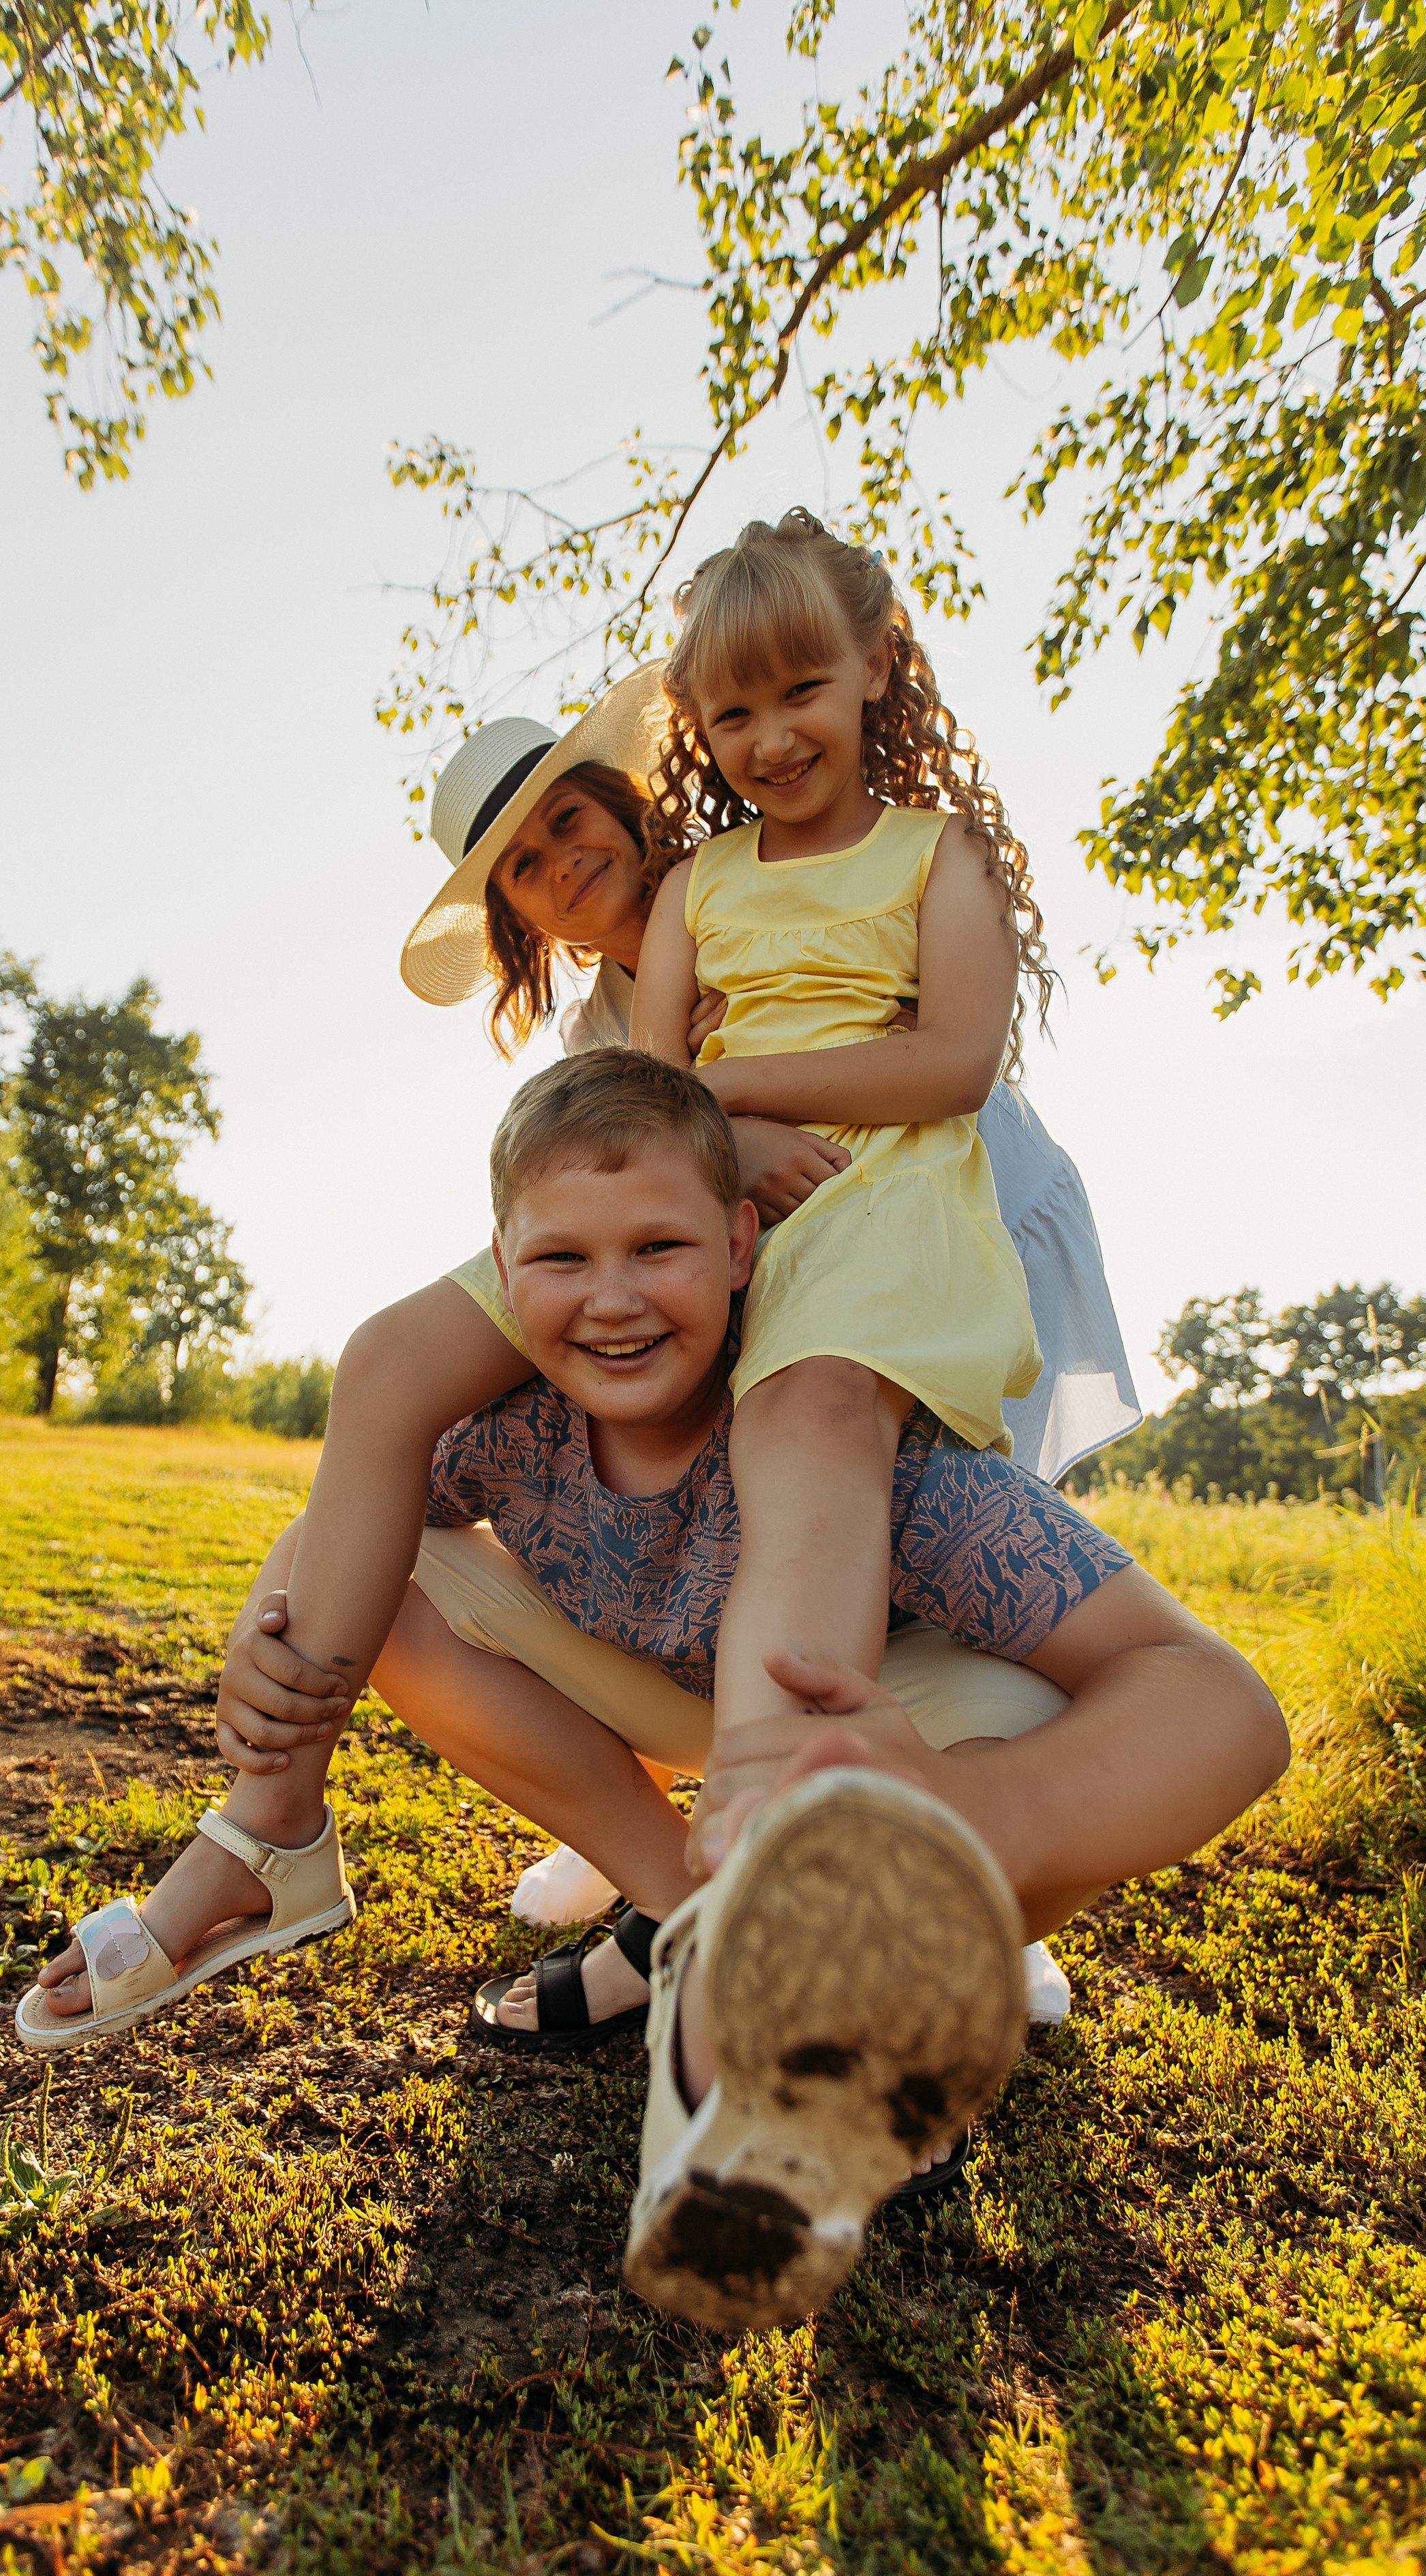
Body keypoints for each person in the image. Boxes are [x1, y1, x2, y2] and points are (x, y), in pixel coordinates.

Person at [12, 655, 1135, 2048]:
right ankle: (398, 1842)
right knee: (403, 1364)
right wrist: (280, 1598)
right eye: (526, 865)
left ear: (624, 795)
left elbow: (915, 1040)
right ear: (515, 915)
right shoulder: (599, 1033)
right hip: (713, 1274)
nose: (561, 859)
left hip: (911, 1207)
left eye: (566, 817)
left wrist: (730, 1110)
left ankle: (910, 1868)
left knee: (918, 1481)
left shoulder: (754, 877)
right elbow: (591, 1239)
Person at [368, 1050, 1286, 2324]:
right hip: (676, 1710)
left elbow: (1222, 1704)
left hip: (884, 1735)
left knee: (1069, 1731)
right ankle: (687, 1914)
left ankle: (883, 1998)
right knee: (357, 1567)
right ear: (502, 1266)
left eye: (661, 1249)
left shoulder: (862, 1438)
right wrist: (274, 1685)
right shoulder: (508, 1423)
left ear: (744, 1243)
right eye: (565, 1259)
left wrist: (955, 1817)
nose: (615, 1300)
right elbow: (351, 1526)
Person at [629, 507, 1050, 1738]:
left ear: (876, 667)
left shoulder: (942, 856)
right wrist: (727, 1142)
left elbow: (953, 1063)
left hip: (884, 1196)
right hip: (708, 1190)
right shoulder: (697, 885)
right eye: (732, 716)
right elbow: (651, 1091)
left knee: (805, 1419)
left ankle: (781, 1777)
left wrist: (740, 1088)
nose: (769, 739)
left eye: (801, 691)